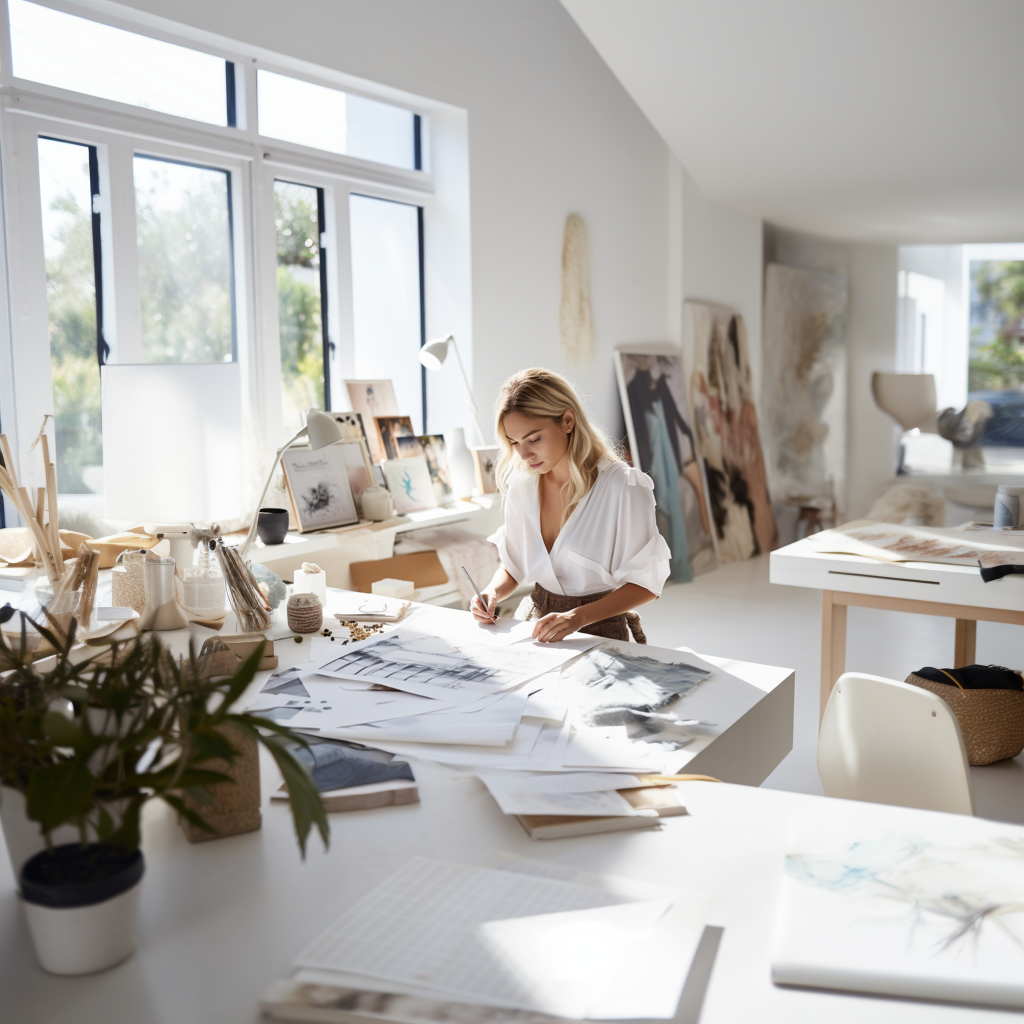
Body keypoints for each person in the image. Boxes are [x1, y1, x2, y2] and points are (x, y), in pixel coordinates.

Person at [471, 368, 671, 643]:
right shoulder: (522, 484)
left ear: (567, 420)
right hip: (534, 624)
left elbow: (646, 585)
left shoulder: (623, 487)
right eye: (514, 442)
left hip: (599, 629)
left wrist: (577, 617)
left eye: (534, 439)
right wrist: (492, 592)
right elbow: (513, 565)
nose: (524, 454)